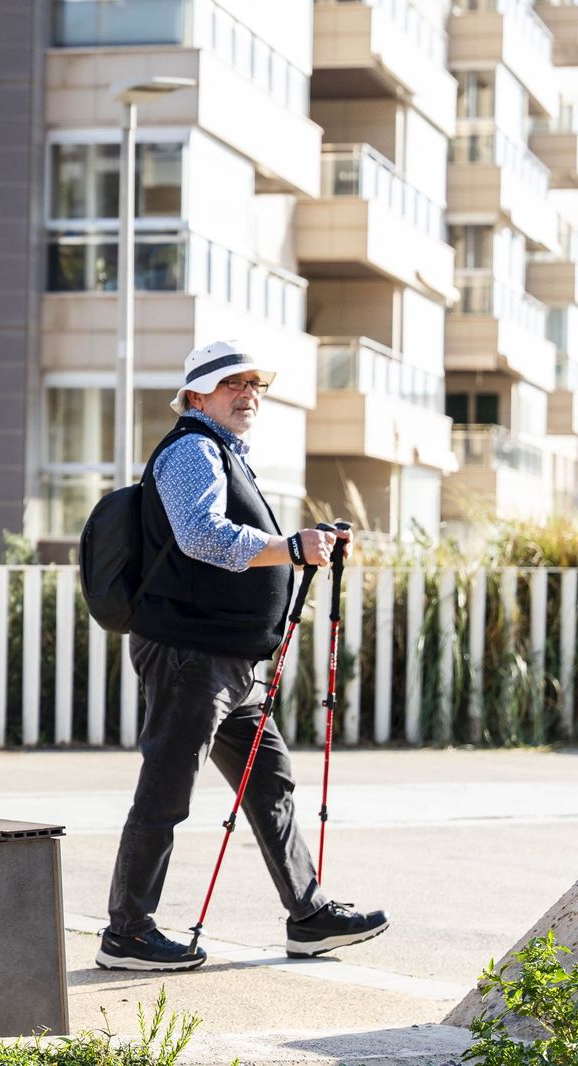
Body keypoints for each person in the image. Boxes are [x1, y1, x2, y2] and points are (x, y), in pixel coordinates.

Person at [96, 339, 390, 972]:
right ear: (197, 396)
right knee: (167, 790)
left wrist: (300, 549)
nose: (248, 394)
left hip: (227, 661)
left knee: (270, 781)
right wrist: (290, 546)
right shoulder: (193, 449)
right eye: (234, 384)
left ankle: (308, 915)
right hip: (190, 656)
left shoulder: (225, 454)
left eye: (255, 384)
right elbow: (201, 536)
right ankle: (127, 932)